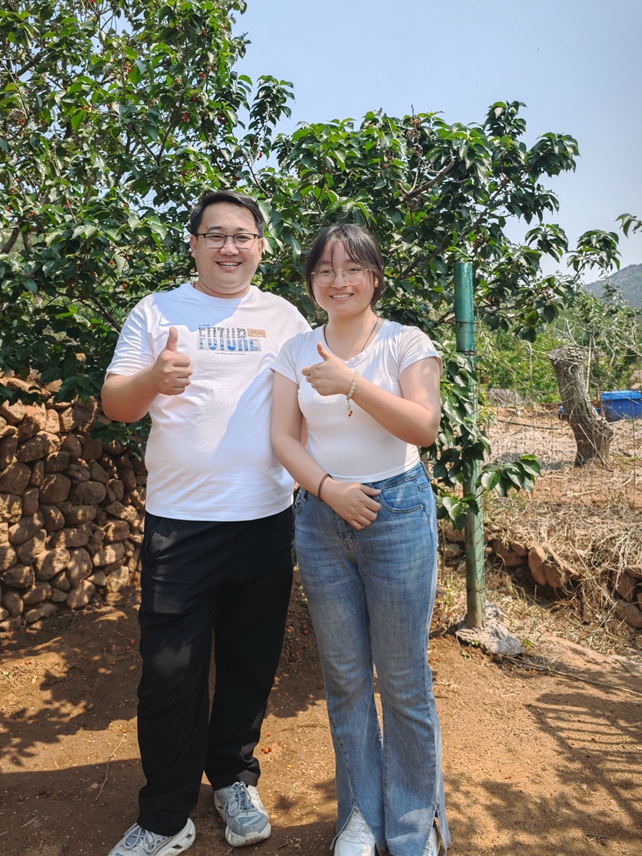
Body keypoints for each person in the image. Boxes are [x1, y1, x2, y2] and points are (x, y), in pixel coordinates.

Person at [101, 190, 309, 856]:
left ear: (261, 247)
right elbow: (115, 405)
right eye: (215, 234)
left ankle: (233, 779)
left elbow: (312, 405)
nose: (229, 247)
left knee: (251, 663)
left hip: (265, 521)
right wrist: (154, 380)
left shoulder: (284, 317)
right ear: (192, 243)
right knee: (168, 672)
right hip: (180, 525)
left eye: (243, 235)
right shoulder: (157, 311)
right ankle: (166, 815)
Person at [270, 223, 449, 856]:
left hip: (396, 511)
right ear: (311, 282)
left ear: (375, 276)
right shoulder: (295, 350)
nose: (338, 280)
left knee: (402, 679)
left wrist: (351, 383)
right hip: (322, 518)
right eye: (324, 270)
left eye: (352, 268)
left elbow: (423, 426)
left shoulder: (405, 341)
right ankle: (359, 820)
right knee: (345, 677)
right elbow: (283, 438)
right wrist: (327, 489)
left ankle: (410, 825)